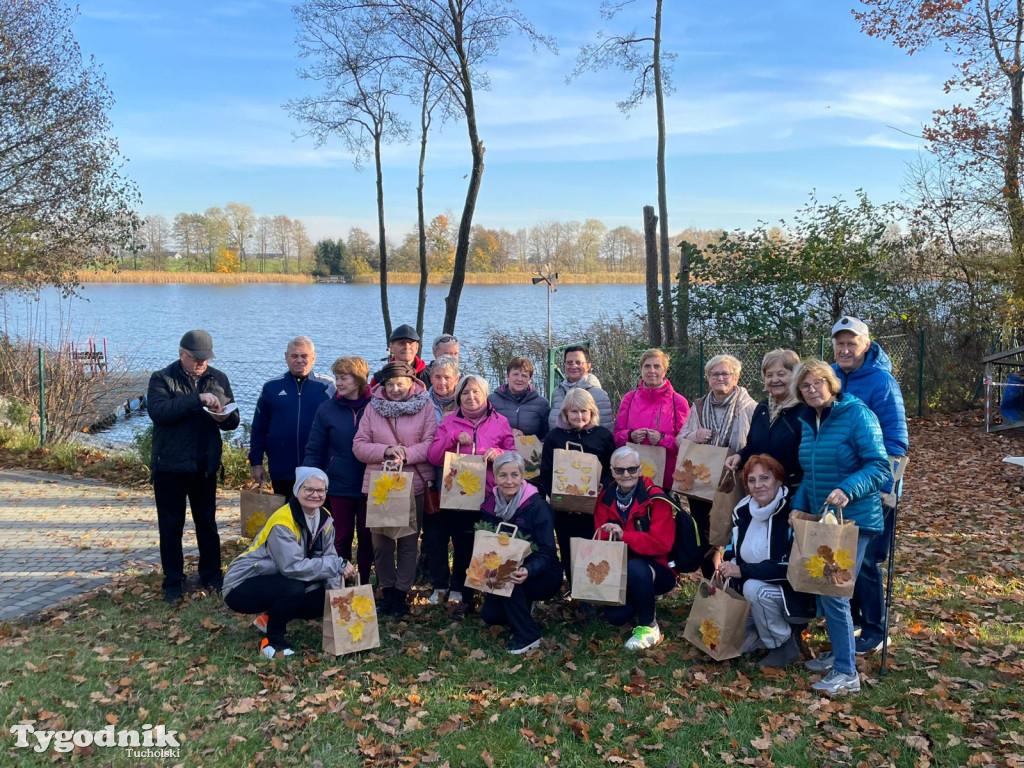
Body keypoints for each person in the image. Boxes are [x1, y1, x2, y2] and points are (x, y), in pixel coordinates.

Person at [790, 360, 891, 695]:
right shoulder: (808, 421)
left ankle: (847, 672)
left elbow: (879, 467)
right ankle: (840, 653)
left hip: (856, 520)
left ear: (831, 383)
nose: (812, 389)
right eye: (804, 386)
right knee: (826, 589)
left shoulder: (857, 415)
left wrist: (848, 488)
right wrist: (797, 510)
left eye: (817, 382)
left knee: (833, 590)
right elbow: (810, 475)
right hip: (824, 522)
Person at [830, 316, 909, 656]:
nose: (845, 350)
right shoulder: (830, 375)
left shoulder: (881, 382)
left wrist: (883, 487)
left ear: (865, 344)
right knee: (841, 556)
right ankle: (851, 621)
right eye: (840, 343)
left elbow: (896, 441)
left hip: (874, 485)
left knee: (866, 560)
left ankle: (875, 629)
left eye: (852, 343)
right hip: (839, 485)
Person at [147, 330, 240, 603]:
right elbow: (160, 413)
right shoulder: (162, 378)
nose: (201, 363)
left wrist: (224, 418)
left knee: (207, 525)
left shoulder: (218, 378)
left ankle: (212, 575)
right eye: (196, 359)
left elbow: (234, 420)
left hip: (204, 466)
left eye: (205, 359)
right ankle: (173, 582)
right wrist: (198, 400)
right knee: (171, 526)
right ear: (182, 354)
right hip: (170, 467)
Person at [223, 467, 353, 659]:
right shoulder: (283, 521)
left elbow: (331, 560)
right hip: (242, 583)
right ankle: (272, 643)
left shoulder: (324, 519)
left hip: (276, 579)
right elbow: (292, 567)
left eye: (320, 490)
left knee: (324, 593)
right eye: (308, 489)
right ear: (297, 490)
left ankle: (269, 618)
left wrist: (337, 610)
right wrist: (337, 565)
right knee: (293, 588)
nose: (315, 495)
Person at [352, 361, 437, 618]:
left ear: (412, 383)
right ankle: (387, 591)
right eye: (390, 384)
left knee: (409, 542)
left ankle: (401, 593)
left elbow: (431, 443)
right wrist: (385, 451)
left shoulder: (425, 405)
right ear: (383, 386)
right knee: (381, 542)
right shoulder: (372, 408)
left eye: (401, 383)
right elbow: (359, 446)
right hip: (381, 485)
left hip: (414, 484)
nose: (396, 388)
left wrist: (406, 454)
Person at [428, 374, 516, 617]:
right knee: (463, 546)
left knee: (490, 546)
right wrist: (452, 438)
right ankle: (466, 598)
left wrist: (498, 452)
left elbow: (513, 454)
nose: (470, 397)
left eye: (476, 391)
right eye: (465, 393)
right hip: (459, 496)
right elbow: (433, 456)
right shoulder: (449, 422)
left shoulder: (500, 422)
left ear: (485, 394)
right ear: (458, 397)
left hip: (491, 495)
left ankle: (492, 597)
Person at [718, 454, 815, 668]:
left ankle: (783, 644)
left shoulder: (791, 513)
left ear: (778, 480)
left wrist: (742, 571)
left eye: (765, 478)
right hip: (746, 591)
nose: (758, 485)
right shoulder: (742, 509)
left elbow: (789, 568)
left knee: (755, 588)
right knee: (724, 644)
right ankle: (764, 636)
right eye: (751, 480)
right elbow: (731, 547)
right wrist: (727, 563)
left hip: (787, 593)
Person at [678, 354, 757, 577]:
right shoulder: (700, 405)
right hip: (701, 479)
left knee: (736, 528)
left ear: (736, 377)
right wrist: (695, 434)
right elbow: (679, 438)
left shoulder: (750, 407)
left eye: (725, 373)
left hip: (734, 478)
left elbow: (757, 443)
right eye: (715, 374)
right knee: (705, 532)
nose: (720, 378)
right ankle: (711, 582)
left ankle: (735, 582)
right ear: (708, 377)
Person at [593, 445, 676, 650]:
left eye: (632, 469)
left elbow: (662, 544)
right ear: (612, 472)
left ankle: (650, 627)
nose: (626, 474)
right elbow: (600, 537)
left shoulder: (656, 498)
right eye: (619, 470)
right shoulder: (604, 498)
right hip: (618, 569)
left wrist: (624, 535)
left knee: (637, 569)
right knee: (616, 617)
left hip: (658, 568)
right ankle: (640, 599)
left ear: (640, 470)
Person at [479, 452, 562, 654]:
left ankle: (528, 635)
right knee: (490, 615)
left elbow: (548, 550)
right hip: (504, 568)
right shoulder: (489, 505)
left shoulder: (537, 506)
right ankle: (523, 605)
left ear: (522, 476)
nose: (509, 481)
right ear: (495, 477)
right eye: (503, 475)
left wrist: (528, 570)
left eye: (514, 475)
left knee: (509, 577)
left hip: (541, 573)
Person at [303, 356, 373, 584]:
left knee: (366, 536)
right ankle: (340, 581)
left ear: (359, 380)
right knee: (340, 536)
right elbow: (315, 447)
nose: (338, 383)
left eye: (344, 378)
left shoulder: (375, 408)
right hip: (338, 483)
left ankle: (363, 581)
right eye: (336, 378)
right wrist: (309, 477)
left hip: (368, 483)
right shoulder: (327, 409)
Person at [540, 388, 616, 590]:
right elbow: (545, 474)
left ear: (592, 412)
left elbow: (612, 469)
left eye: (584, 411)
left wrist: (603, 486)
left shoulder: (603, 436)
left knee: (592, 546)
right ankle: (575, 587)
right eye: (574, 411)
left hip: (595, 505)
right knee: (567, 546)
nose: (579, 416)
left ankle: (594, 589)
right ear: (565, 413)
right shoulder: (554, 438)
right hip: (565, 509)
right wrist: (560, 499)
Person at [249, 337, 334, 497]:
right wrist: (256, 462)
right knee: (287, 517)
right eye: (294, 356)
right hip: (282, 467)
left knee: (318, 516)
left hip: (318, 467)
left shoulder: (327, 386)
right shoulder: (271, 387)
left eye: (304, 356)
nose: (299, 360)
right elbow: (259, 428)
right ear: (286, 357)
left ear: (313, 358)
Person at [725, 349, 804, 491]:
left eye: (781, 374)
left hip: (793, 490)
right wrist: (740, 456)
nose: (774, 380)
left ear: (795, 376)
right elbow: (753, 446)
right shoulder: (762, 407)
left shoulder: (804, 410)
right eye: (769, 375)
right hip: (762, 490)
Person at [614, 348, 690, 489]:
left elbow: (686, 443)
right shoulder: (629, 399)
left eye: (657, 366)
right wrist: (630, 436)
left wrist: (662, 439)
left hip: (665, 475)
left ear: (664, 371)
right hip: (631, 473)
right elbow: (616, 436)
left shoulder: (678, 401)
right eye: (647, 366)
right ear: (641, 370)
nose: (652, 370)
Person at [424, 355, 460, 605]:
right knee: (434, 535)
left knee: (461, 535)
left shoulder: (468, 403)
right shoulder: (420, 403)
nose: (442, 382)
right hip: (430, 476)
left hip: (461, 479)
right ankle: (438, 584)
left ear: (457, 379)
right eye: (437, 376)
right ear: (430, 377)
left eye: (448, 377)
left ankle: (458, 585)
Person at [547, 346, 614, 429]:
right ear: (564, 365)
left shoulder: (599, 394)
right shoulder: (557, 392)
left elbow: (606, 429)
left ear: (588, 366)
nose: (574, 366)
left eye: (578, 362)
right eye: (569, 362)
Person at [488, 356, 550, 440]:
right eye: (515, 374)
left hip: (530, 450)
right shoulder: (492, 400)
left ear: (530, 379)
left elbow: (547, 436)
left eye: (524, 376)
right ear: (508, 376)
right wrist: (509, 431)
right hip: (498, 449)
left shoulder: (542, 404)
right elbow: (485, 430)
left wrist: (528, 441)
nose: (519, 379)